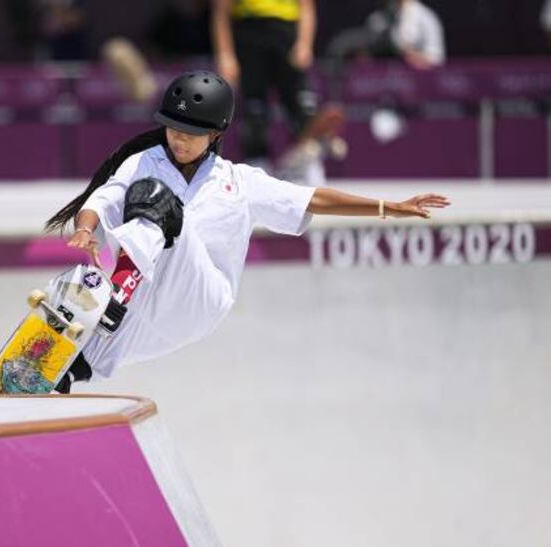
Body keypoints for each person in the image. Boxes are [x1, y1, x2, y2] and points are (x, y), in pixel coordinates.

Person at [44, 70, 450, 393]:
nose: (179, 140)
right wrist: (85, 229)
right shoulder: (144, 161)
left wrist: (387, 208)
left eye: (191, 133)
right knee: (81, 323)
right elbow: (104, 196)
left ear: (216, 134)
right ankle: (68, 368)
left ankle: (112, 298)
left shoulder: (240, 183)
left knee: (157, 202)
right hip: (146, 304)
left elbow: (312, 199)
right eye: (173, 129)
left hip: (201, 299)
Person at [212, 0, 328, 186]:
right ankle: (258, 171)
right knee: (254, 110)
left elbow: (306, 7)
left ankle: (309, 166)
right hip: (249, 35)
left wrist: (305, 43)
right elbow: (221, 12)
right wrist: (225, 54)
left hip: (287, 34)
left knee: (302, 107)